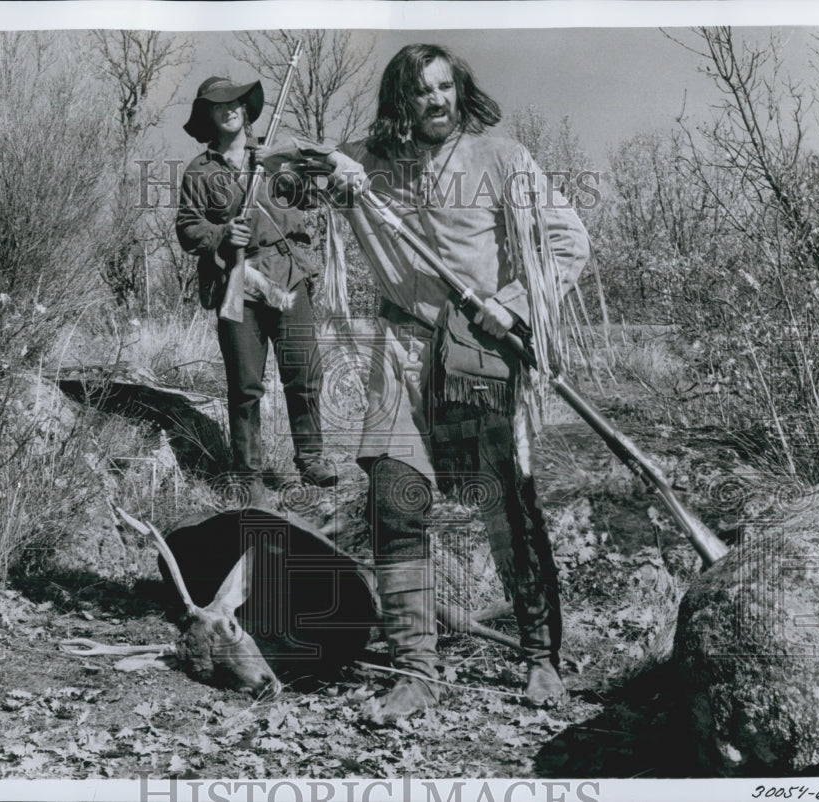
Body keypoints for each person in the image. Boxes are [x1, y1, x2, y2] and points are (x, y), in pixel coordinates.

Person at [305, 44, 591, 723]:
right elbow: (290, 175)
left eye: (443, 87)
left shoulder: (502, 158)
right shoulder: (371, 164)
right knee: (396, 498)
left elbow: (571, 241)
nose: (435, 101)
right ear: (401, 104)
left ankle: (539, 658)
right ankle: (414, 670)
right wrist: (329, 173)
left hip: (479, 348)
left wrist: (514, 302)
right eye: (421, 92)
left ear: (458, 89)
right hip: (402, 346)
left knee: (506, 502)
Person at [175, 76, 338, 505]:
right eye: (217, 105)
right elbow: (188, 229)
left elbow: (322, 182)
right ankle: (248, 474)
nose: (228, 109)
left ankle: (311, 460)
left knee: (304, 376)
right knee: (245, 386)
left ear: (246, 109)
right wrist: (224, 233)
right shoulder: (200, 171)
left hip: (288, 277)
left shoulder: (274, 154)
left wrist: (287, 158)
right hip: (238, 281)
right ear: (207, 115)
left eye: (234, 102)